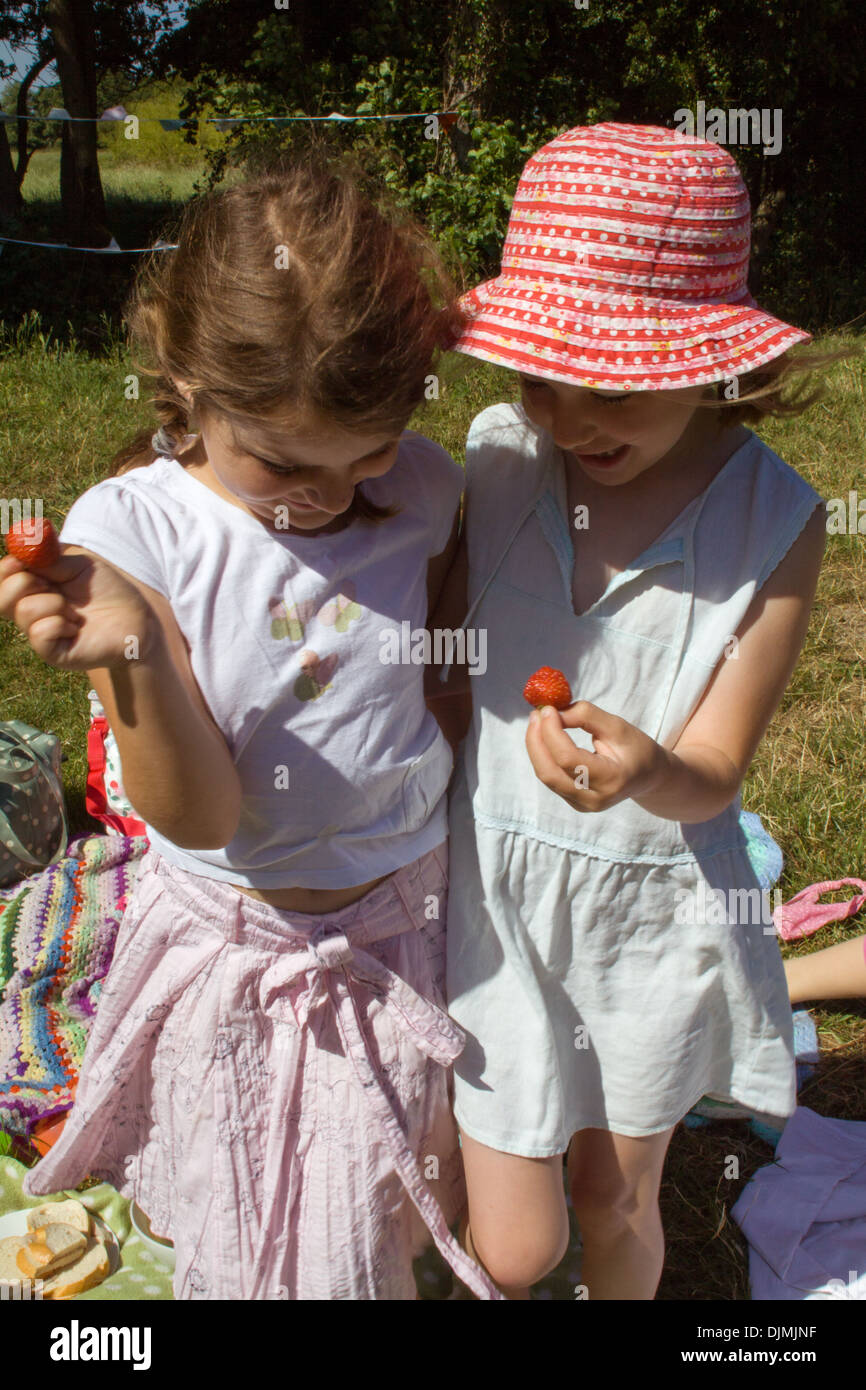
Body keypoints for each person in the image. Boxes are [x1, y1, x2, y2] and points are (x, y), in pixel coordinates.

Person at [0, 160, 501, 1301]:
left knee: (383, 1203)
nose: (326, 497)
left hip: (405, 918)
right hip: (245, 941)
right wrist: (126, 649)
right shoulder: (138, 532)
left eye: (363, 456)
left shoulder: (424, 485)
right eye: (283, 463)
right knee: (292, 1255)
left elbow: (442, 684)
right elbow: (199, 812)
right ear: (184, 377)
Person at [430, 122, 840, 1299]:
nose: (566, 419)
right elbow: (453, 641)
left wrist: (648, 767)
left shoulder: (773, 520)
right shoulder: (500, 456)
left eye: (605, 383)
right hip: (495, 895)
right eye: (534, 378)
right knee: (513, 1248)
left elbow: (713, 768)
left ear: (711, 358)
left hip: (645, 918)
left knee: (611, 1195)